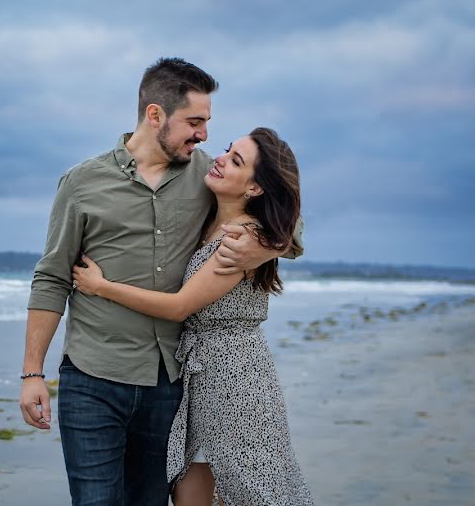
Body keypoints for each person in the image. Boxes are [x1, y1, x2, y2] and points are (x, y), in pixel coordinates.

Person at [20, 58, 301, 505]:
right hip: (94, 377)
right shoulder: (83, 184)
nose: (204, 134)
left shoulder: (207, 175)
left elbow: (284, 215)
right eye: (194, 121)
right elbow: (52, 277)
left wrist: (261, 249)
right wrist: (32, 372)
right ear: (156, 116)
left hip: (169, 385)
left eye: (207, 122)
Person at [71, 127, 313, 506]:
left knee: (251, 490)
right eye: (227, 151)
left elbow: (181, 305)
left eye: (236, 161)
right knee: (190, 491)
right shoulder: (212, 217)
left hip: (236, 381)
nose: (220, 158)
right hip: (200, 377)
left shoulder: (240, 239)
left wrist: (102, 287)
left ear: (254, 189)